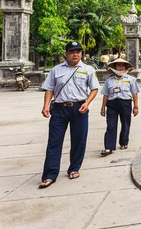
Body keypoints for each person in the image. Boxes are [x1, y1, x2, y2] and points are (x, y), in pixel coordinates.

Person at [39, 41, 100, 189]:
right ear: (66, 54)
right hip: (59, 109)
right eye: (72, 52)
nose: (75, 54)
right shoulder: (56, 70)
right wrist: (46, 105)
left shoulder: (88, 70)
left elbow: (94, 88)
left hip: (79, 108)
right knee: (54, 141)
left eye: (78, 52)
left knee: (79, 140)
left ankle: (74, 168)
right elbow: (49, 89)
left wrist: (87, 103)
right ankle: (49, 175)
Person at [100, 58, 140, 156]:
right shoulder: (109, 80)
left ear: (126, 67)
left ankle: (123, 142)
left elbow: (134, 93)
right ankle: (109, 147)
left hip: (125, 103)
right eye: (118, 65)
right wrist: (103, 108)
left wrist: (136, 107)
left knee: (125, 123)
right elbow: (105, 94)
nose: (121, 68)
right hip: (112, 104)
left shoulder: (131, 79)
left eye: (123, 65)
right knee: (111, 125)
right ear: (115, 67)